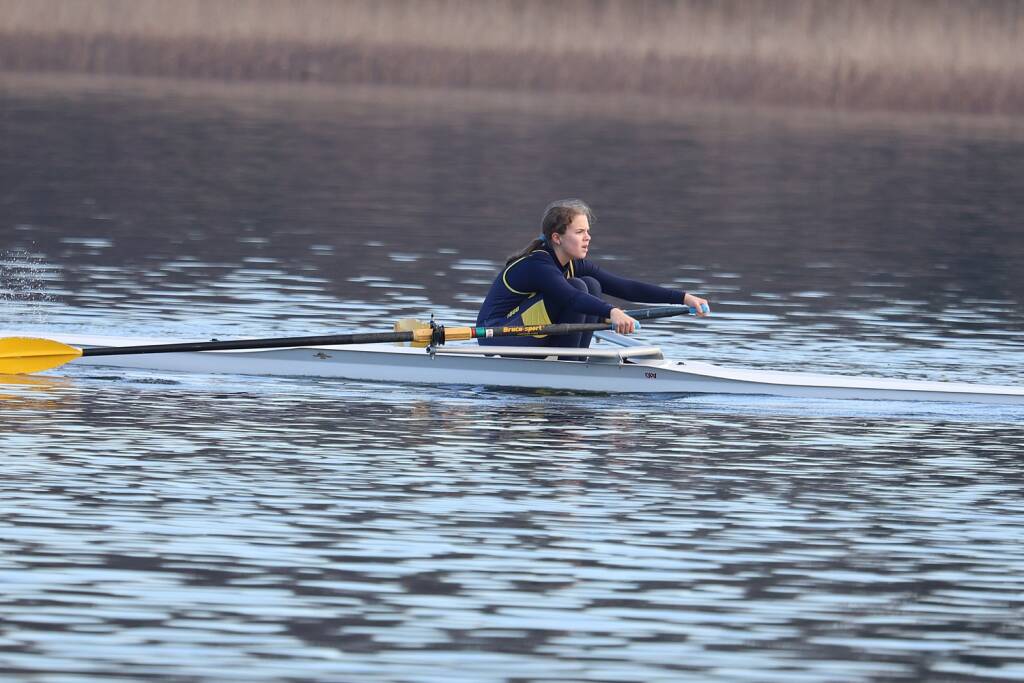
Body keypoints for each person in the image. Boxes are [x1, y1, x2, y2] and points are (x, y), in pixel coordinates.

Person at [476, 199, 710, 349]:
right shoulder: (538, 264)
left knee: (591, 284)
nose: (588, 237)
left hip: (528, 334)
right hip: (498, 335)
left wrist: (683, 297)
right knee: (579, 288)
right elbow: (571, 298)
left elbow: (625, 287)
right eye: (579, 232)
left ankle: (574, 361)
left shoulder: (573, 263)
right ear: (557, 238)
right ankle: (567, 366)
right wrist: (612, 312)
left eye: (588, 231)